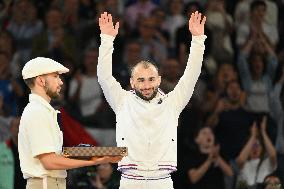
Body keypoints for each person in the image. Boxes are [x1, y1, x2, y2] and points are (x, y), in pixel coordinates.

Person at [97, 11, 206, 189]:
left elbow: (191, 76)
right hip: (130, 180)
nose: (146, 85)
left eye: (151, 79)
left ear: (159, 80)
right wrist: (107, 40)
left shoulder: (172, 103)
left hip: (161, 181)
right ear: (132, 82)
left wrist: (198, 40)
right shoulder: (122, 101)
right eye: (140, 80)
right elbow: (104, 77)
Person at [18, 57, 123, 189]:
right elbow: (49, 162)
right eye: (55, 76)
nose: (61, 82)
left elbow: (56, 154)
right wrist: (95, 160)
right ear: (41, 80)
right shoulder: (37, 112)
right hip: (45, 184)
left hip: (50, 183)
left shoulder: (44, 111)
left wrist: (102, 152)